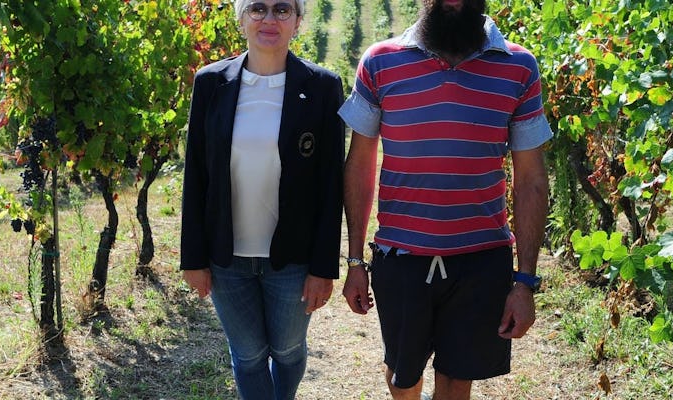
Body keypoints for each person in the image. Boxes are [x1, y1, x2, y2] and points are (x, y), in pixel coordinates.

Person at [337, 0, 551, 398]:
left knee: (457, 381)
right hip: (401, 259)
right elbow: (360, 167)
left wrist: (524, 281)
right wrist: (355, 262)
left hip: (481, 261)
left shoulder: (519, 67)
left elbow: (532, 180)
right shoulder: (379, 62)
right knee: (403, 377)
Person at [179, 0, 345, 398]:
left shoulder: (322, 87)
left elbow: (330, 183)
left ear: (298, 21)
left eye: (282, 9)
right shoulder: (210, 83)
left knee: (287, 351)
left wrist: (324, 267)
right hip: (227, 258)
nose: (269, 19)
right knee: (249, 354)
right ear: (241, 20)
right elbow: (196, 175)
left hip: (293, 258)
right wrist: (194, 258)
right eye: (257, 9)